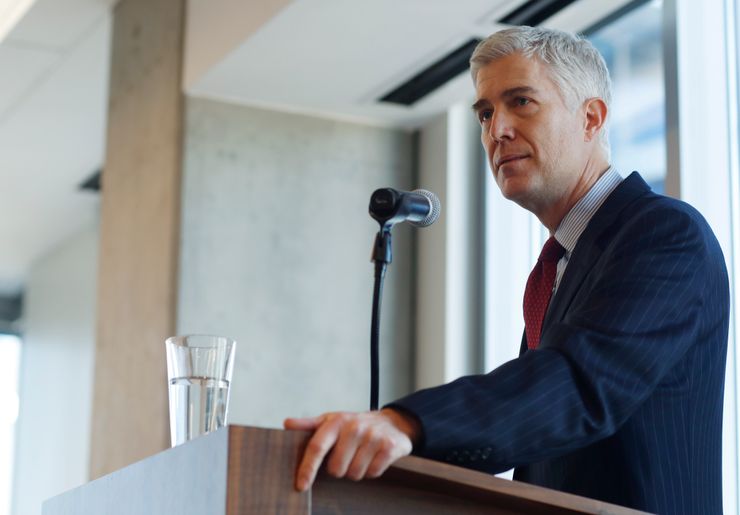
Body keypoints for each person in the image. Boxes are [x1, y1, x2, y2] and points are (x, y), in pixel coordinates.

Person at [284, 26, 729, 513]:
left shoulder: (664, 234)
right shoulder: (561, 265)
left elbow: (578, 384)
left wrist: (409, 424)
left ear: (591, 118)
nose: (497, 130)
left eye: (521, 102)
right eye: (486, 112)